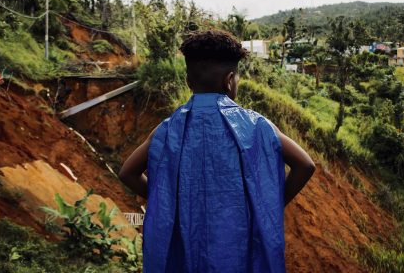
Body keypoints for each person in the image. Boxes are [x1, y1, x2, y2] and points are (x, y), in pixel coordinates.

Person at [119, 30, 315, 273]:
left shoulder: (167, 130)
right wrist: (269, 204)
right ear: (230, 80)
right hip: (238, 250)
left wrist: (168, 201)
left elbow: (127, 172)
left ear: (189, 81)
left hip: (185, 246)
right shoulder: (257, 125)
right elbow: (305, 165)